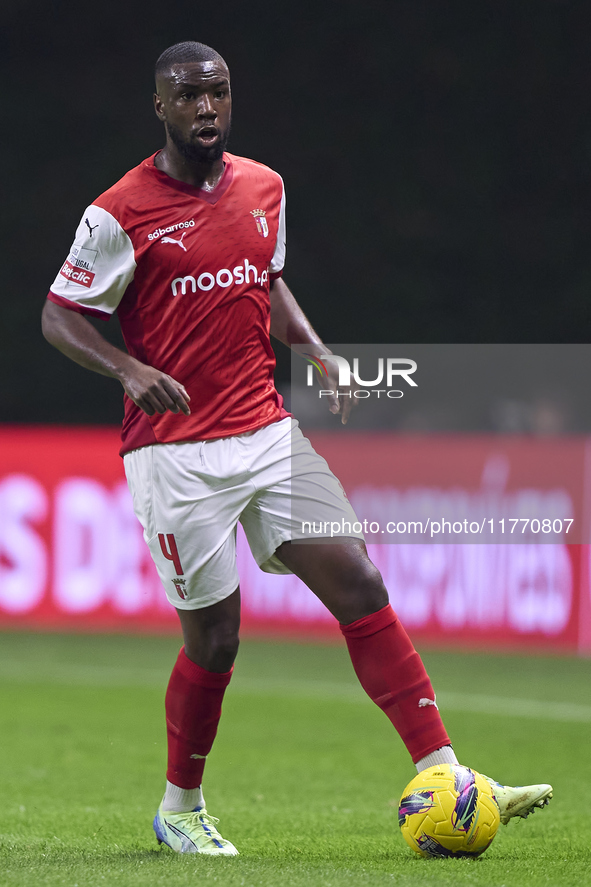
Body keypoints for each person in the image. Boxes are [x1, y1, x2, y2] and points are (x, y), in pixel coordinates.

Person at [41, 41, 552, 857]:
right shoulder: (120, 211)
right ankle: (180, 805)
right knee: (216, 638)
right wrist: (128, 367)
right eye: (188, 96)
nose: (206, 108)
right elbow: (59, 315)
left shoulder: (263, 185)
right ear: (160, 108)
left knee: (358, 578)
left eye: (218, 93)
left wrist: (313, 347)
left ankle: (447, 775)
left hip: (266, 430)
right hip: (175, 453)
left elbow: (263, 278)